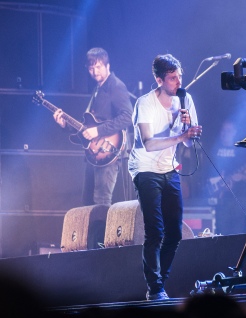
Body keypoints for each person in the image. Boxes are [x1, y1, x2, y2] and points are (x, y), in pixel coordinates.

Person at [128, 54, 202, 301]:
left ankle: (160, 282)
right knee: (155, 232)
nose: (178, 82)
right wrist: (181, 136)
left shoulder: (185, 99)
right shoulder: (145, 103)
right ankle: (156, 288)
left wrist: (190, 131)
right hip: (145, 168)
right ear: (159, 80)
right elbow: (148, 144)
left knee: (175, 233)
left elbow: (190, 144)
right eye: (172, 78)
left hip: (169, 168)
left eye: (180, 75)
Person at [53, 47, 133, 206]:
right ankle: (94, 231)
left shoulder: (116, 86)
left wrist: (98, 130)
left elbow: (128, 116)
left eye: (98, 67)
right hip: (94, 153)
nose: (95, 71)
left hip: (109, 151)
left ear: (107, 66)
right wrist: (65, 126)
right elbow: (87, 127)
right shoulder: (97, 90)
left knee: (101, 201)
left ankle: (102, 231)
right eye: (91, 68)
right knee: (88, 202)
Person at [206, 119, 246, 235]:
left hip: (238, 199)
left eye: (228, 130)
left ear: (234, 132)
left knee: (236, 231)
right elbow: (208, 173)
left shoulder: (240, 151)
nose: (224, 133)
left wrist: (241, 177)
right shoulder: (215, 150)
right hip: (221, 198)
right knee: (220, 230)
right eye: (223, 131)